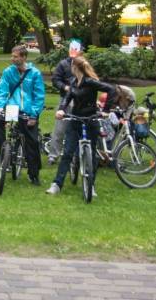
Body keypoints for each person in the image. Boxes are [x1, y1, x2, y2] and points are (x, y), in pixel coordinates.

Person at [46, 55, 113, 195]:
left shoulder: (91, 82)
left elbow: (111, 89)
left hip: (90, 120)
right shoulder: (73, 82)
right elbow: (67, 98)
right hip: (75, 119)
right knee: (67, 153)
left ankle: (91, 186)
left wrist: (106, 110)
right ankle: (57, 184)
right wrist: (61, 109)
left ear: (74, 67)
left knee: (92, 154)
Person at [0, 45, 46, 185]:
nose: (12, 58)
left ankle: (33, 174)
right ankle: (3, 149)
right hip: (12, 108)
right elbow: (2, 90)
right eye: (12, 56)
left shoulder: (34, 73)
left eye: (15, 56)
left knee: (32, 142)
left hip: (29, 111)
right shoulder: (8, 72)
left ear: (24, 57)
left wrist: (34, 115)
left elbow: (39, 96)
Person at [47, 40, 83, 163]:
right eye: (72, 49)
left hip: (82, 99)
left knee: (80, 128)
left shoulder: (84, 64)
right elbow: (55, 79)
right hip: (66, 99)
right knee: (59, 128)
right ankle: (53, 155)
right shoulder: (63, 64)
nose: (73, 52)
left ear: (81, 51)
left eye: (76, 50)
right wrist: (64, 87)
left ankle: (80, 154)